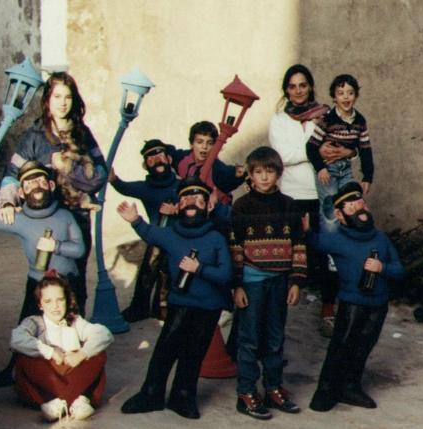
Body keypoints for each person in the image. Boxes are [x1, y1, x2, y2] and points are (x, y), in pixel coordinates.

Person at [118, 176, 233, 420]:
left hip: (208, 307)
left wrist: (199, 269)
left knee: (194, 353)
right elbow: (150, 233)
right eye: (185, 199)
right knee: (165, 349)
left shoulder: (216, 238)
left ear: (208, 205)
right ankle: (151, 393)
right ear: (178, 206)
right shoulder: (170, 235)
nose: (191, 203)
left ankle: (183, 395)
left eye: (197, 199)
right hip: (180, 304)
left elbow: (226, 275)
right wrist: (135, 220)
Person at [0, 72, 108, 316]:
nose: (63, 103)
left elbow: (101, 175)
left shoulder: (83, 134)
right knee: (42, 279)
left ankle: (73, 330)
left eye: (68, 97)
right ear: (47, 99)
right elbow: (12, 174)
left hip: (76, 217)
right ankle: (37, 335)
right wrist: (6, 202)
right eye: (57, 96)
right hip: (44, 220)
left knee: (74, 278)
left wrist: (69, 168)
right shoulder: (34, 137)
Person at [0, 160, 85, 386]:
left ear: (51, 185)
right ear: (21, 192)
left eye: (41, 181)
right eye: (29, 183)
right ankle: (16, 369)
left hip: (68, 283)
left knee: (71, 327)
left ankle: (73, 372)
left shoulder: (65, 217)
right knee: (28, 324)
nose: (36, 186)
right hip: (37, 282)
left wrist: (56, 246)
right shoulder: (21, 219)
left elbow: (79, 249)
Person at [268, 64, 356, 337]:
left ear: (311, 87)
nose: (298, 91)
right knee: (285, 254)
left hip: (324, 194)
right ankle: (274, 314)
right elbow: (282, 156)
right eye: (292, 86)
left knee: (330, 253)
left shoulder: (328, 115)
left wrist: (341, 152)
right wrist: (316, 149)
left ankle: (328, 311)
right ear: (286, 90)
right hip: (292, 196)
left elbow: (347, 148)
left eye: (303, 85)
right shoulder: (279, 120)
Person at [304, 181, 404, 412]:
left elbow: (399, 269)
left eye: (361, 204)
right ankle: (326, 391)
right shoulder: (336, 239)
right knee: (341, 347)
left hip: (378, 304)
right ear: (340, 215)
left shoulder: (381, 239)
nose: (360, 210)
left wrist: (382, 268)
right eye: (351, 207)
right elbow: (315, 241)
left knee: (363, 347)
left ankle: (350, 387)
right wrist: (307, 230)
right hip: (353, 305)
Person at [229, 147, 305, 420]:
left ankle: (273, 387)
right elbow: (235, 248)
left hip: (280, 282)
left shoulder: (289, 205)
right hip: (252, 282)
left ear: (278, 174)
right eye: (258, 172)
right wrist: (237, 285)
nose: (264, 177)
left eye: (269, 172)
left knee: (275, 338)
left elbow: (299, 244)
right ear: (250, 175)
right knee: (249, 339)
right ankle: (246, 392)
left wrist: (296, 281)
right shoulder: (241, 206)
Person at [11, 272, 114, 422]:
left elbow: (104, 334)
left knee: (99, 354)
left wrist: (81, 354)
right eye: (48, 301)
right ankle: (74, 401)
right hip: (46, 381)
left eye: (60, 300)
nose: (55, 306)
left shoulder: (74, 321)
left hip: (72, 373)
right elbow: (16, 338)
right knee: (24, 359)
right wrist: (50, 352)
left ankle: (62, 403)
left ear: (67, 300)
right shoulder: (35, 322)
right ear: (40, 304)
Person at [109, 139, 180, 321]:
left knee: (168, 272)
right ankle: (139, 307)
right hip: (157, 238)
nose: (157, 161)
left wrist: (176, 210)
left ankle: (162, 306)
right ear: (145, 165)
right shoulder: (145, 188)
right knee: (149, 266)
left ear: (169, 159)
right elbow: (125, 187)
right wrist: (114, 179)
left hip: (180, 239)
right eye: (151, 159)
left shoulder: (182, 184)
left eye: (160, 156)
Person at [306, 73, 373, 232]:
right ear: (334, 98)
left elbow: (365, 149)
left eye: (350, 93)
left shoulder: (360, 121)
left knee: (351, 202)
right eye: (341, 93)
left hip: (346, 169)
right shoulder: (328, 120)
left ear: (356, 96)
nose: (346, 97)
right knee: (330, 207)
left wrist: (367, 177)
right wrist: (320, 168)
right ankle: (330, 241)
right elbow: (310, 146)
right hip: (327, 169)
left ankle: (350, 238)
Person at [166, 120, 246, 206]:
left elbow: (229, 174)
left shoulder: (217, 168)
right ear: (191, 144)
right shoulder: (183, 158)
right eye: (199, 142)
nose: (204, 147)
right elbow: (164, 149)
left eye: (210, 143)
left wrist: (237, 175)